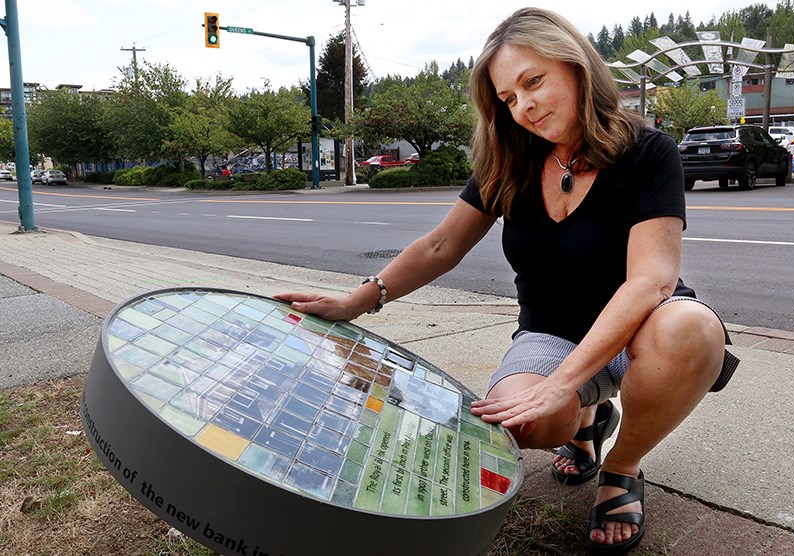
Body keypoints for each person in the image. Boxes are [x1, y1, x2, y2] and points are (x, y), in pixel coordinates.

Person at [276, 7, 739, 554]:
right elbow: (441, 245)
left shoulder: (645, 153)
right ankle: (585, 422)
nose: (524, 108)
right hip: (550, 334)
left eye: (533, 82)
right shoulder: (509, 161)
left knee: (692, 328)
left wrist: (562, 382)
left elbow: (651, 281)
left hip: (641, 331)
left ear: (575, 65)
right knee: (522, 424)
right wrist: (358, 300)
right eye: (508, 98)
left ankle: (622, 465)